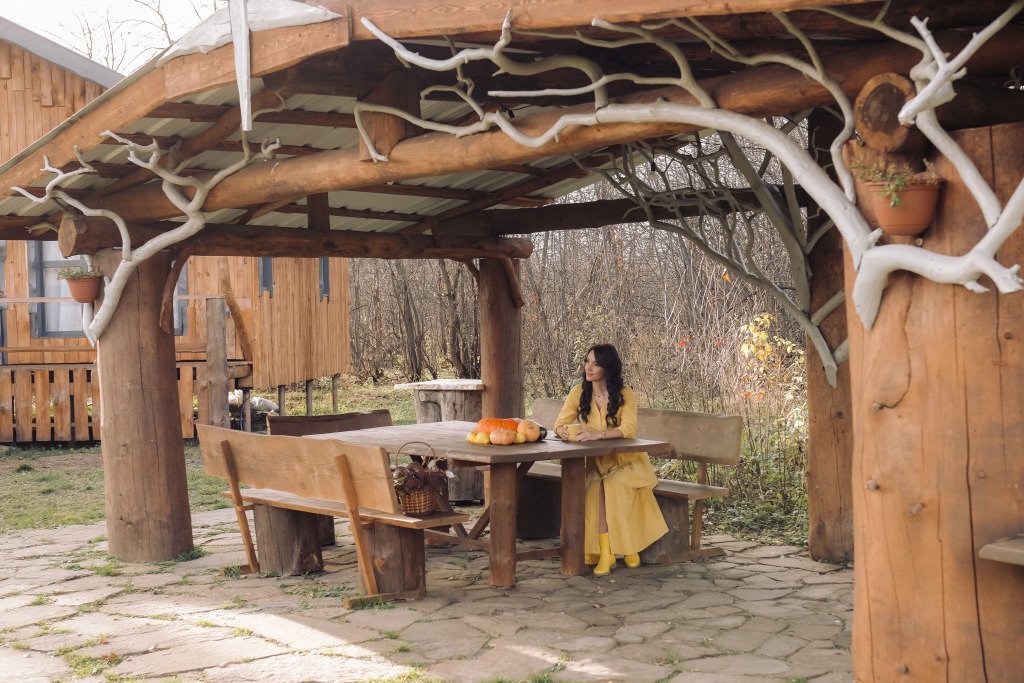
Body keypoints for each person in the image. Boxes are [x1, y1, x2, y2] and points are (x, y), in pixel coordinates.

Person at [553, 343, 668, 575]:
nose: (589, 368)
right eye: (587, 361)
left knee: (609, 486)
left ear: (608, 367)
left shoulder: (624, 393)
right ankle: (612, 551)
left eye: (596, 364)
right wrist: (562, 430)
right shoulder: (579, 392)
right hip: (597, 464)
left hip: (629, 463)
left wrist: (600, 434)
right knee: (593, 486)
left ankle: (617, 550)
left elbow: (629, 429)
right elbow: (560, 422)